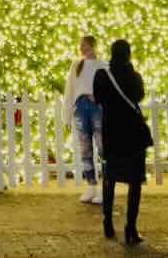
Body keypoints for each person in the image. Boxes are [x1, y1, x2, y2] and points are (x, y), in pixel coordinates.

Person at [93, 39, 153, 245]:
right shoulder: (134, 76)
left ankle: (108, 222)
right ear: (128, 54)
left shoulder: (102, 75)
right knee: (134, 183)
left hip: (113, 134)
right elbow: (139, 96)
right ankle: (131, 228)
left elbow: (98, 98)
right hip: (133, 135)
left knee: (109, 180)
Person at [63, 35, 107, 203]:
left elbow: (109, 89)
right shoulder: (76, 65)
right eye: (81, 45)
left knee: (103, 147)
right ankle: (91, 186)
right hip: (80, 108)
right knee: (85, 149)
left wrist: (99, 97)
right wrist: (67, 115)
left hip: (97, 108)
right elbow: (69, 89)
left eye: (86, 45)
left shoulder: (103, 65)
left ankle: (105, 188)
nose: (82, 49)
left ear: (93, 46)